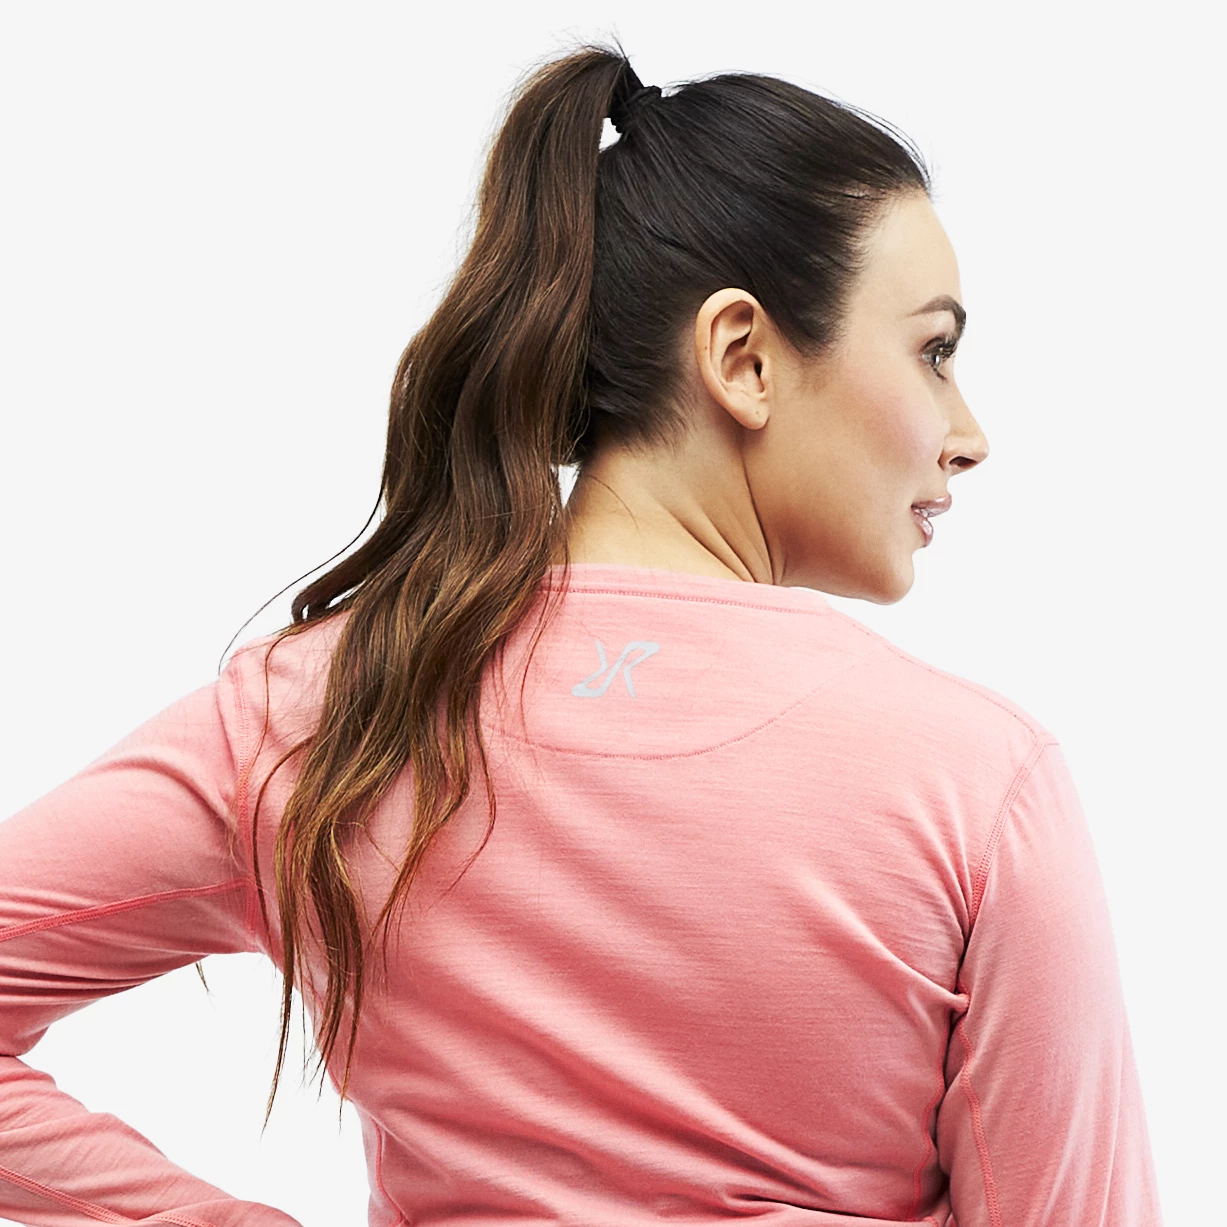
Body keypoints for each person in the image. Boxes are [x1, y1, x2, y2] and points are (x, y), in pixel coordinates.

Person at [0, 43, 1163, 1227]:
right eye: (934, 352)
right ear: (743, 358)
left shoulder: (328, 710)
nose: (968, 434)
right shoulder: (978, 786)